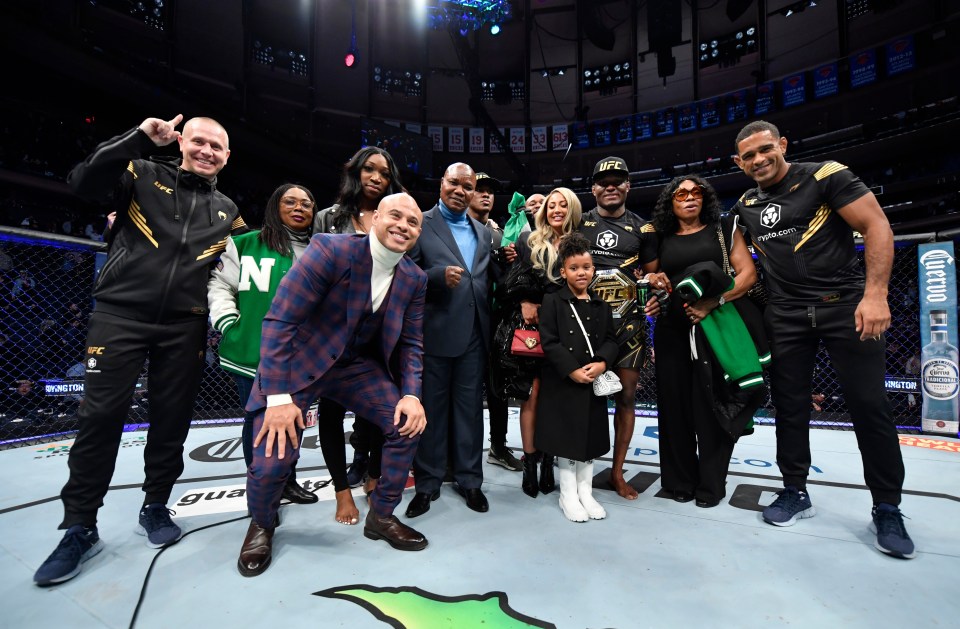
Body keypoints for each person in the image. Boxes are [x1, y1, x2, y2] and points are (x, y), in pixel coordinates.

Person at [34, 114, 246, 586]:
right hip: (119, 316)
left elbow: (239, 270)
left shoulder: (228, 211)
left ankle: (155, 504)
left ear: (227, 157)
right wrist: (135, 139)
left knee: (172, 417)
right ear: (182, 142)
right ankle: (79, 525)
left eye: (217, 146)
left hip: (185, 326)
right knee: (100, 416)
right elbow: (82, 182)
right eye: (200, 142)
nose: (207, 151)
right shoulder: (141, 172)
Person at [731, 120, 915, 558]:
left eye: (765, 149)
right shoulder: (745, 204)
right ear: (739, 164)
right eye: (749, 156)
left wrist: (876, 294)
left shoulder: (826, 175)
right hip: (787, 313)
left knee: (869, 405)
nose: (759, 160)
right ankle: (794, 489)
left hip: (845, 306)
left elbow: (876, 226)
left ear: (783, 145)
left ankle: (887, 506)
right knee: (790, 405)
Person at [238, 192, 429, 577]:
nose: (403, 226)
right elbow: (280, 321)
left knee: (405, 423)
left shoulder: (414, 278)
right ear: (374, 218)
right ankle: (262, 523)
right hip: (300, 362)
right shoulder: (331, 249)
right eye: (395, 215)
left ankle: (381, 516)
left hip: (353, 366)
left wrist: (411, 394)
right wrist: (277, 397)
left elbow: (411, 343)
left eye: (413, 222)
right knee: (272, 459)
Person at [207, 183, 325, 513]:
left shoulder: (319, 249)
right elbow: (218, 284)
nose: (300, 207)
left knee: (294, 420)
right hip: (251, 355)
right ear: (276, 205)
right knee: (258, 424)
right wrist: (229, 323)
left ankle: (286, 480)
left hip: (301, 358)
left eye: (307, 203)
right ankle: (260, 487)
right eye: (291, 202)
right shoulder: (245, 243)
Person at [648, 175, 764, 508]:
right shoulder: (661, 236)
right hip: (671, 327)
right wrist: (656, 294)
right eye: (681, 194)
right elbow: (654, 277)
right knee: (674, 406)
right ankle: (679, 481)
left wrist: (714, 301)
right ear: (670, 202)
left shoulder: (724, 228)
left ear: (705, 198)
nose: (689, 197)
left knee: (713, 404)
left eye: (695, 192)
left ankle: (711, 482)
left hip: (715, 323)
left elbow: (747, 274)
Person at [314, 147, 403, 504]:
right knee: (331, 412)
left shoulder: (396, 219)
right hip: (333, 332)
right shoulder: (327, 218)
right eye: (369, 169)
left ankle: (372, 472)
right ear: (356, 172)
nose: (376, 177)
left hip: (380, 331)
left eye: (384, 172)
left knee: (380, 411)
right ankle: (339, 487)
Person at [405, 162, 494, 518]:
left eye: (467, 186)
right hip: (433, 333)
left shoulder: (485, 232)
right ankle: (427, 484)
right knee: (433, 412)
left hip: (475, 333)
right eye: (453, 183)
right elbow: (404, 274)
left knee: (471, 412)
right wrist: (436, 276)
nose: (460, 190)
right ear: (441, 183)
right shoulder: (419, 222)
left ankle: (470, 481)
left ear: (474, 191)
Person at [578, 156, 659, 500]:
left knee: (625, 398)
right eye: (603, 182)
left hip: (629, 326)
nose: (610, 187)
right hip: (583, 324)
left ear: (628, 185)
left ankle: (616, 472)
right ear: (593, 188)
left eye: (617, 181)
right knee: (580, 398)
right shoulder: (577, 223)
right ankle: (577, 471)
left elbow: (655, 275)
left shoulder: (644, 229)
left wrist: (655, 291)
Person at [495, 187, 583, 498]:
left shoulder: (581, 243)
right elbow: (512, 283)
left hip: (569, 330)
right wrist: (525, 301)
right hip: (535, 332)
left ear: (572, 209)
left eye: (563, 205)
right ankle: (531, 464)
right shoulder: (528, 241)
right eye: (551, 205)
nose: (556, 210)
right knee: (531, 397)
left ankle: (549, 462)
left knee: (556, 400)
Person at [536, 233, 618, 522]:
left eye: (586, 267)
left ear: (593, 269)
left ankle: (586, 491)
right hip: (563, 381)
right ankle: (568, 494)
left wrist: (602, 363)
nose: (581, 272)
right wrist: (571, 369)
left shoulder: (601, 304)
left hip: (593, 381)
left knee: (590, 439)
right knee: (566, 439)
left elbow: (611, 339)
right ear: (563, 271)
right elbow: (549, 341)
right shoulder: (552, 301)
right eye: (574, 268)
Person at [469, 172, 522, 473]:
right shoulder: (456, 228)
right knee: (464, 387)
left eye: (490, 191)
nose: (486, 195)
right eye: (480, 190)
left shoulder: (501, 234)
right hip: (465, 317)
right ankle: (459, 449)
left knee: (497, 386)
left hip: (495, 317)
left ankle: (498, 446)